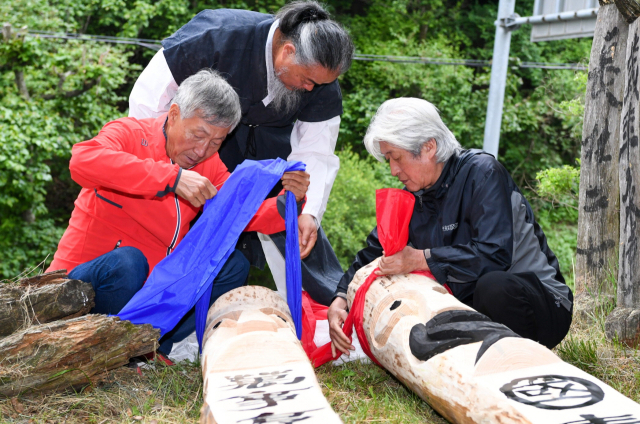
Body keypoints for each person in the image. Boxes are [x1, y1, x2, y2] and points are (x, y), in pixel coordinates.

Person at [47, 69, 310, 357]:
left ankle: (149, 348)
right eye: (198, 135)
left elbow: (238, 214)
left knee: (232, 264)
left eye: (216, 142)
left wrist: (290, 201)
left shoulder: (209, 167)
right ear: (173, 115)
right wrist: (170, 178)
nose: (201, 150)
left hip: (148, 298)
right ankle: (115, 351)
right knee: (129, 262)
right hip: (82, 288)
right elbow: (83, 160)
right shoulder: (130, 134)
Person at [127, 1, 354, 306]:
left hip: (274, 150)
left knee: (293, 216)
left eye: (321, 83)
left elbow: (316, 151)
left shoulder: (321, 81)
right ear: (287, 52)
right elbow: (148, 103)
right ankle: (172, 311)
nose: (313, 89)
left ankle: (328, 312)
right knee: (188, 217)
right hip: (207, 142)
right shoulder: (215, 36)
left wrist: (309, 211)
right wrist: (166, 171)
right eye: (309, 80)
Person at [328, 97, 573, 357]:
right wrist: (341, 297)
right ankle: (476, 358)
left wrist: (421, 258)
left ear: (428, 147)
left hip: (543, 304)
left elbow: (494, 255)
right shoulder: (411, 194)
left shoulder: (482, 173)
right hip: (472, 307)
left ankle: (521, 360)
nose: (393, 170)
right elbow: (374, 252)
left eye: (396, 157)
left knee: (493, 287)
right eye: (388, 159)